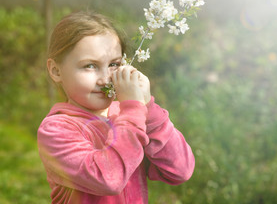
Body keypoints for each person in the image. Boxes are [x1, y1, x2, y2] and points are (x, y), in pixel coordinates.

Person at [37, 11, 195, 204]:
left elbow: (180, 170)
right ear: (56, 70)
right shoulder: (56, 130)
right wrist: (134, 111)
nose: (105, 79)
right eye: (90, 66)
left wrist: (149, 109)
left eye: (114, 64)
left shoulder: (129, 117)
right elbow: (109, 179)